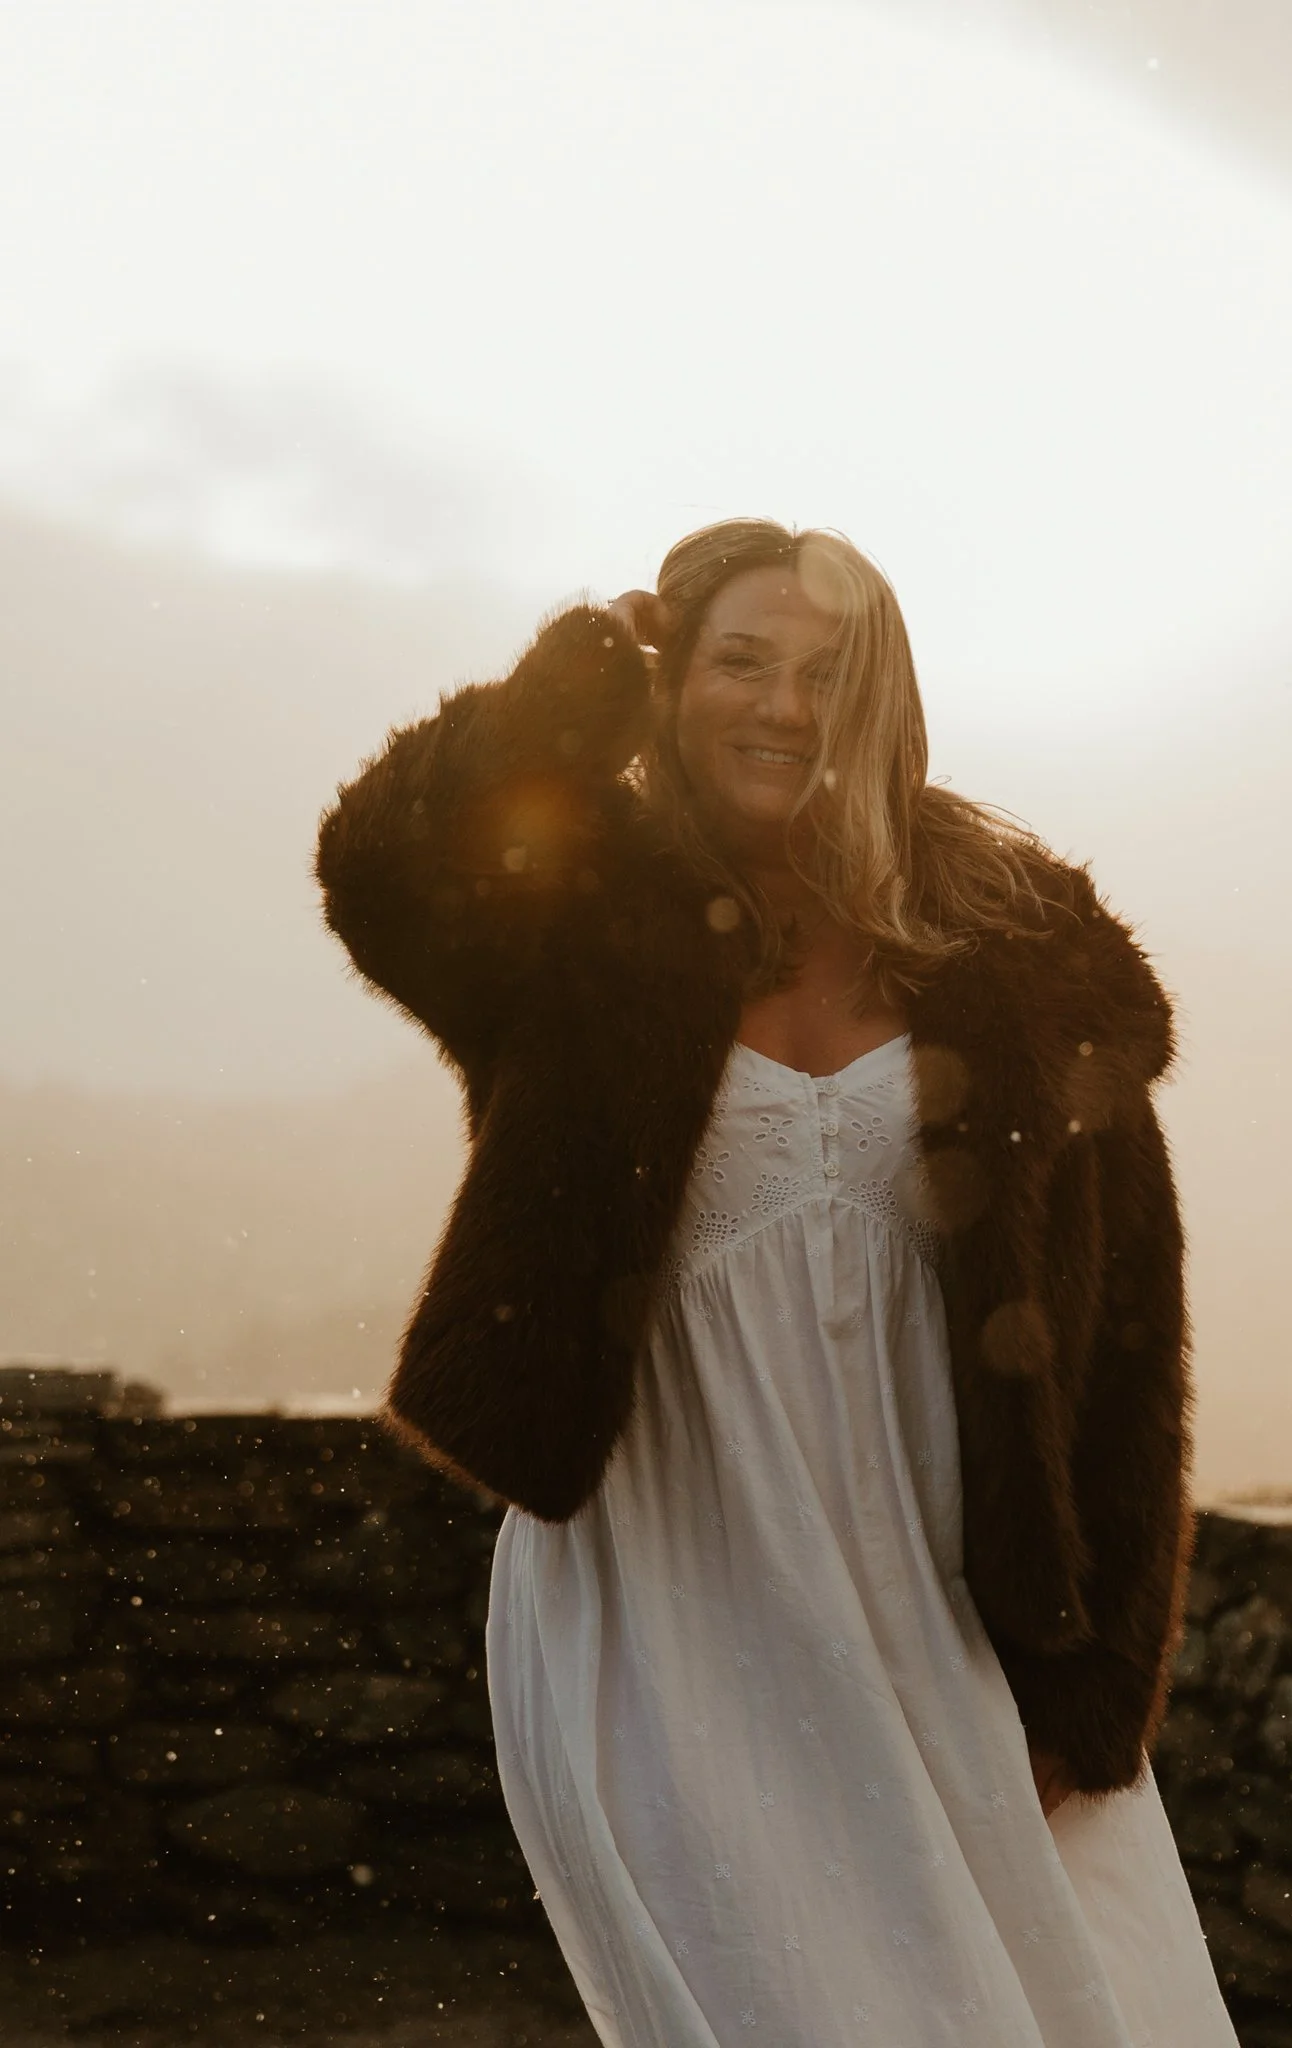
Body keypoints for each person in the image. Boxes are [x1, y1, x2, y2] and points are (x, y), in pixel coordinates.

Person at [315, 519, 1236, 2046]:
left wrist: (1103, 1679)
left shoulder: (1020, 946)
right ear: (674, 685)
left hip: (959, 1620)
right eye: (741, 662)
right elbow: (376, 866)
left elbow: (1129, 1339)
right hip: (669, 1623)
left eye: (830, 672)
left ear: (888, 698)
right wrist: (567, 695)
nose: (786, 708)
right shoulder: (573, 926)